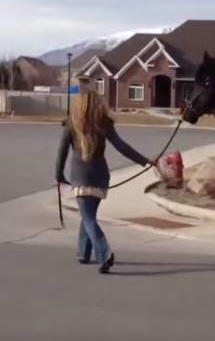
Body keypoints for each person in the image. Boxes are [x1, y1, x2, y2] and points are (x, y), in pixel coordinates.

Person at [55, 91, 153, 274]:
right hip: (101, 177)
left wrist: (58, 176)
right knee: (88, 215)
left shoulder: (71, 124)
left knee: (88, 217)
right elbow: (122, 146)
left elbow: (61, 154)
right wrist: (145, 161)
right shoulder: (104, 123)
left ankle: (105, 253)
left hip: (81, 177)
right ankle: (83, 253)